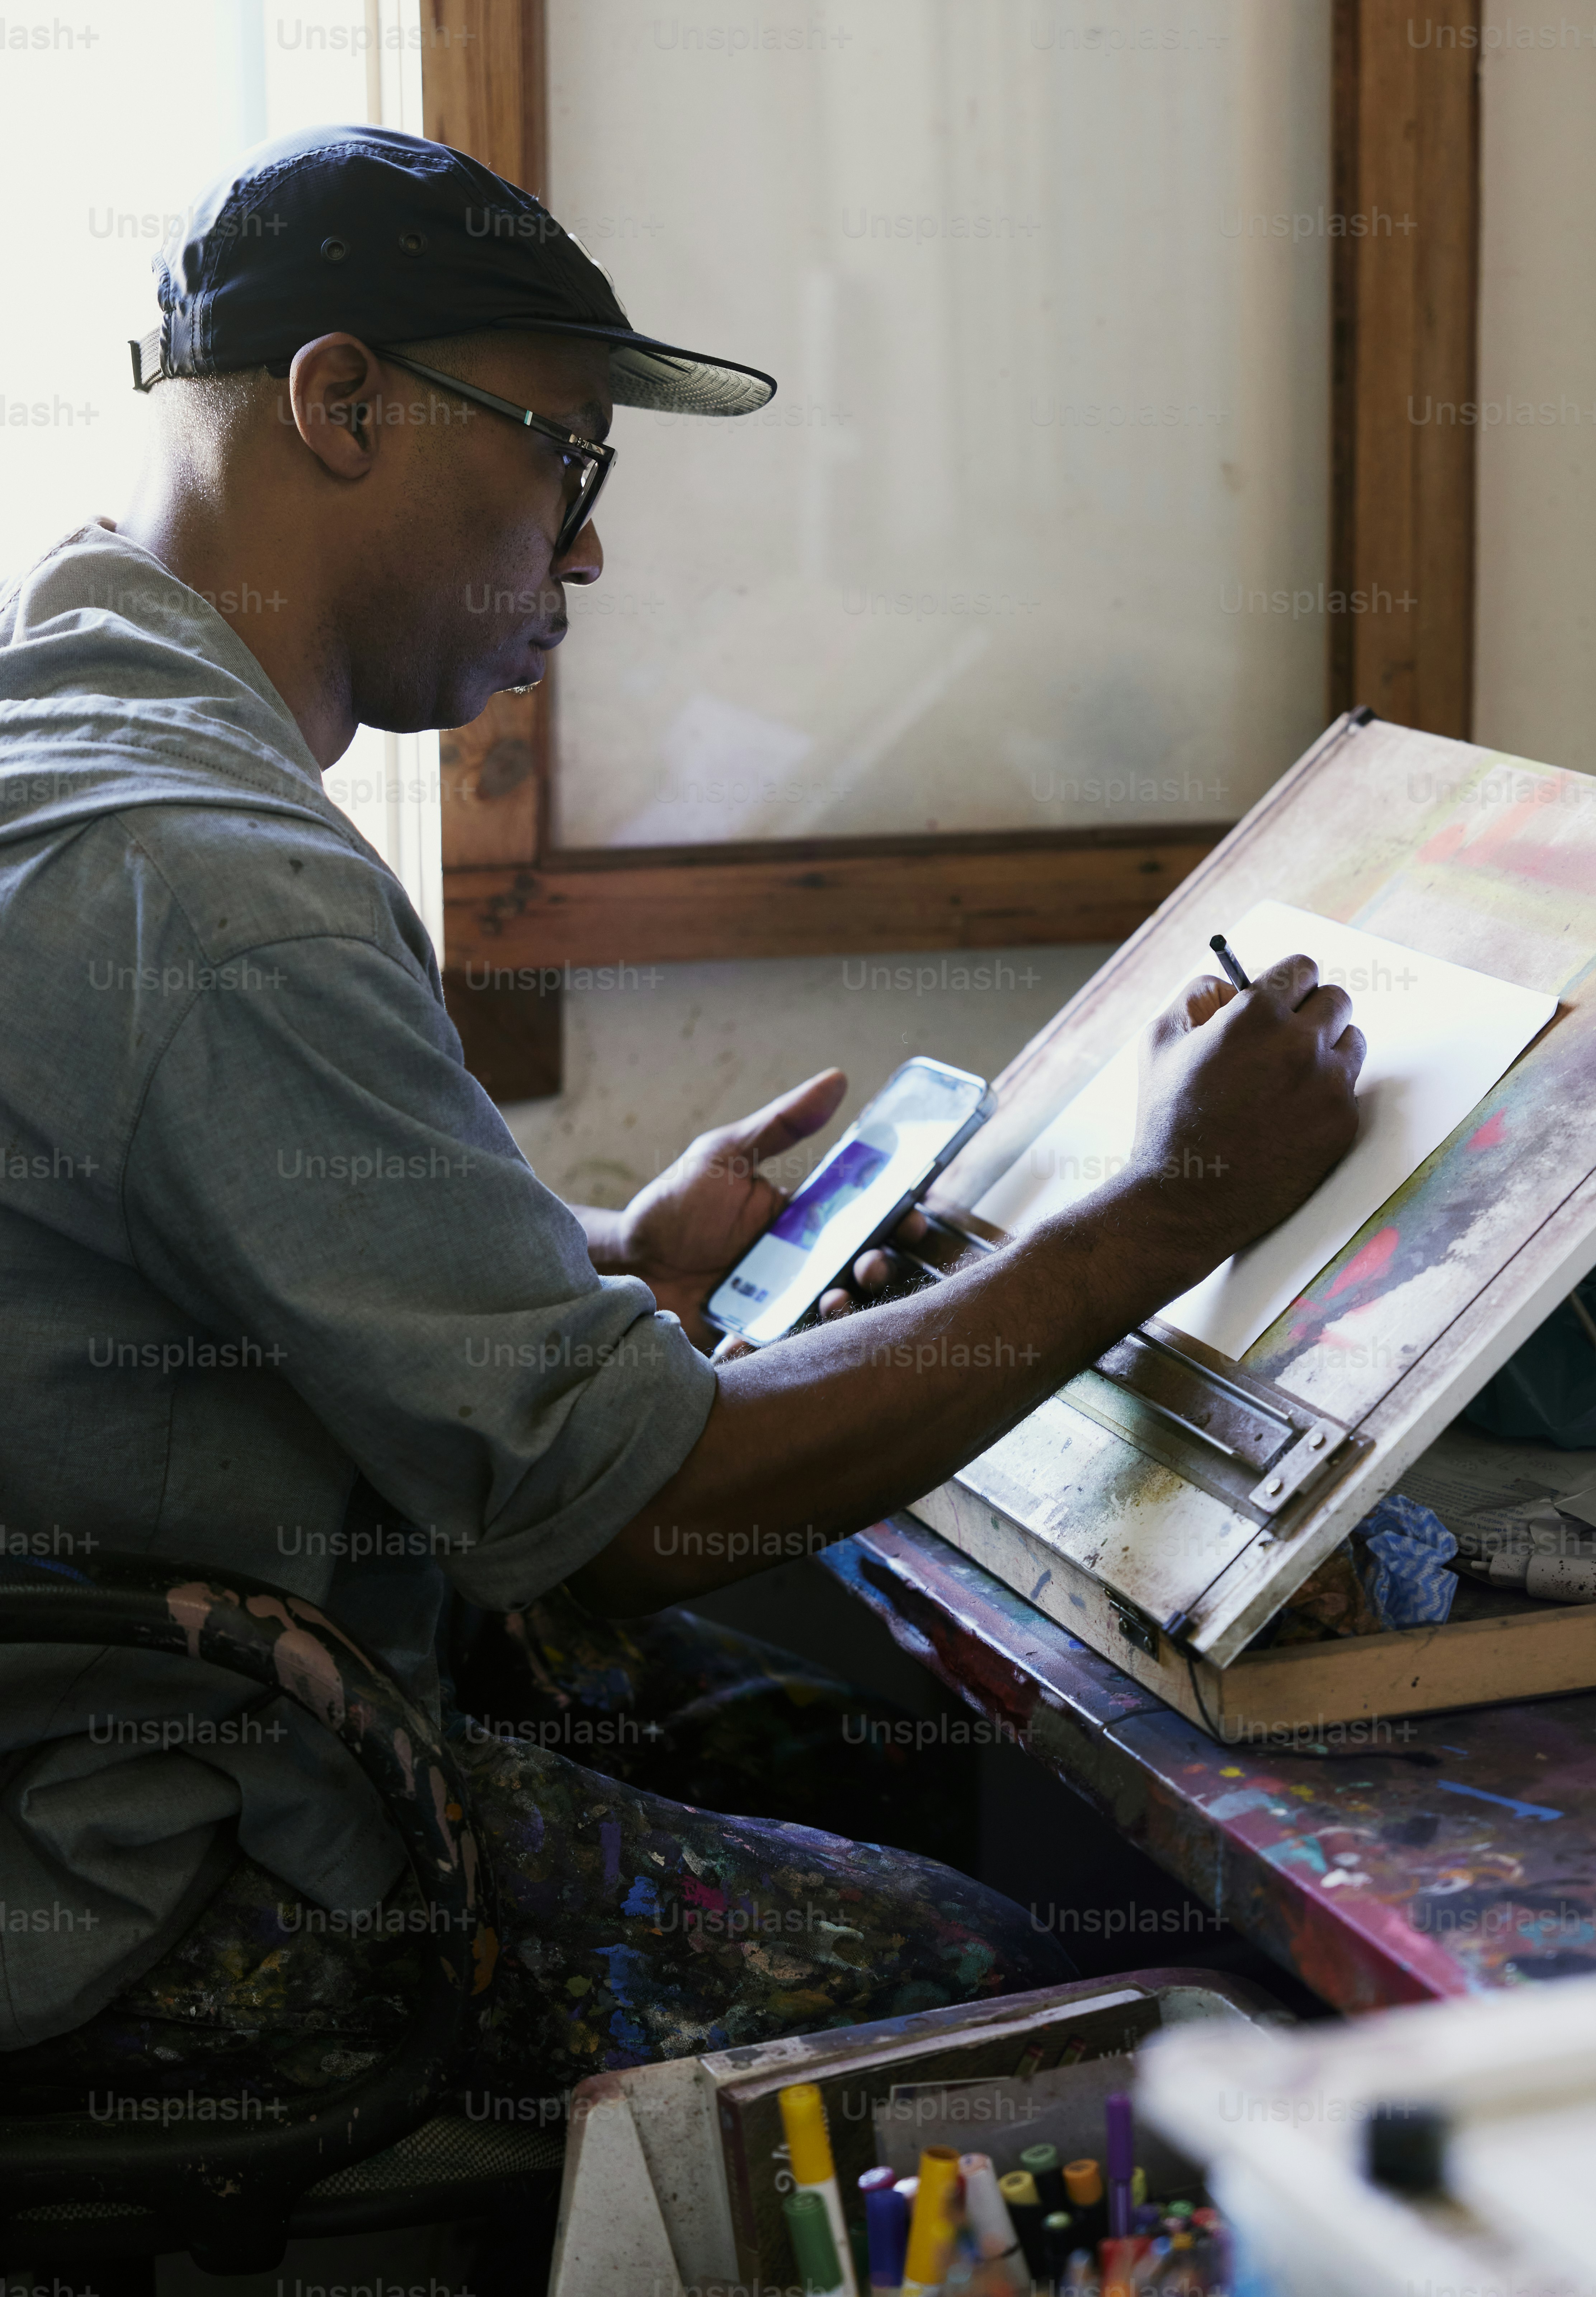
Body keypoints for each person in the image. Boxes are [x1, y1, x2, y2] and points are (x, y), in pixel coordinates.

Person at [0, 126, 1363, 2110]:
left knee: (887, 1760)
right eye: (564, 447)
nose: (589, 541)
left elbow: (215, 1263)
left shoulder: (84, 741)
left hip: (172, 1715)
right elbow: (639, 1519)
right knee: (1018, 1999)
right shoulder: (211, 881)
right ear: (343, 400)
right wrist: (1160, 1215)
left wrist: (617, 1262)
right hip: (148, 1870)